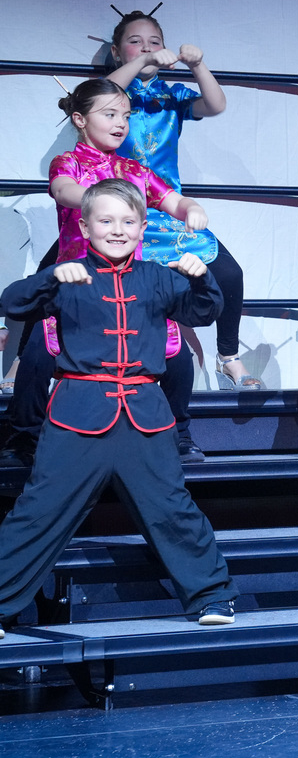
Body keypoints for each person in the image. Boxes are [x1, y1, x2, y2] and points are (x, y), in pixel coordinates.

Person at [0, 180, 237, 639]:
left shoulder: (157, 277)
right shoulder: (67, 275)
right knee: (39, 510)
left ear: (142, 228)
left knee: (171, 507)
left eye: (128, 221)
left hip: (144, 416)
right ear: (85, 227)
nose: (117, 230)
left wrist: (201, 277)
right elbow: (12, 302)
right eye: (106, 221)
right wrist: (52, 276)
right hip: (77, 416)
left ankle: (212, 594)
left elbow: (204, 312)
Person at [0, 78, 213, 469]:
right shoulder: (69, 163)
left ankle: (179, 434)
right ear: (80, 119)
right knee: (39, 354)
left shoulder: (134, 170)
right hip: (78, 284)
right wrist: (102, 201)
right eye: (110, 114)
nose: (120, 124)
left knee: (177, 355)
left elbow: (173, 199)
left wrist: (190, 208)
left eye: (126, 116)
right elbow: (64, 190)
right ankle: (23, 437)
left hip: (131, 284)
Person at [107, 5, 261, 395]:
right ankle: (27, 359)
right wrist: (142, 61)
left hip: (165, 208)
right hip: (111, 212)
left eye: (154, 41)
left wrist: (197, 65)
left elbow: (216, 105)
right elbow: (101, 94)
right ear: (116, 52)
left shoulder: (171, 94)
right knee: (54, 271)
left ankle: (228, 356)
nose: (147, 48)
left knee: (230, 274)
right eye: (135, 42)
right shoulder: (111, 96)